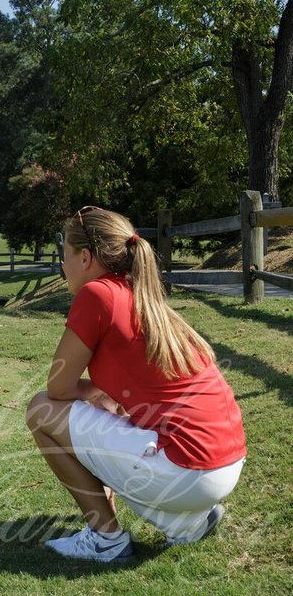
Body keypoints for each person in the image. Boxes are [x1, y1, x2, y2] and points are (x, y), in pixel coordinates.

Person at [25, 206, 246, 562]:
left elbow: (58, 389)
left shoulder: (97, 295)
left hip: (188, 468)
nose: (62, 264)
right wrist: (102, 396)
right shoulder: (139, 293)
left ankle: (105, 539)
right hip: (226, 464)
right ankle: (190, 522)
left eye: (64, 254)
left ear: (85, 257)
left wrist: (93, 393)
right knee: (110, 414)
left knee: (40, 411)